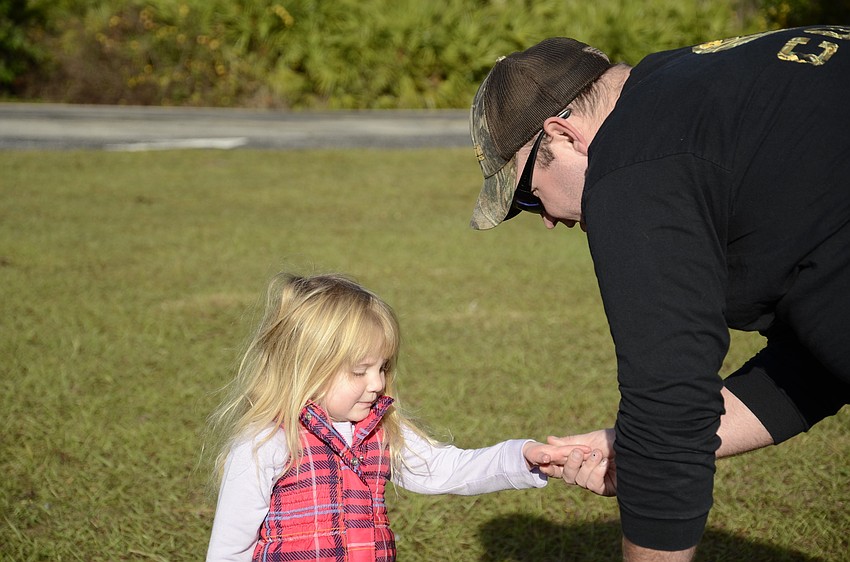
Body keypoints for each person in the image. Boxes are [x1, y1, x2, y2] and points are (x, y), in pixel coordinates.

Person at [468, 28, 850, 561]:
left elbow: (668, 405)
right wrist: (634, 445)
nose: (550, 220)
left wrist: (656, 445)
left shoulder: (632, 160)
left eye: (529, 196)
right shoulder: (700, 86)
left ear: (562, 134)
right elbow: (814, 360)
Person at [205, 272, 586, 562]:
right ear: (304, 367)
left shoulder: (379, 429)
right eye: (359, 370)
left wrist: (520, 456)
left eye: (383, 367)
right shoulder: (267, 442)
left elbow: (443, 469)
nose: (377, 383)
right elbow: (229, 547)